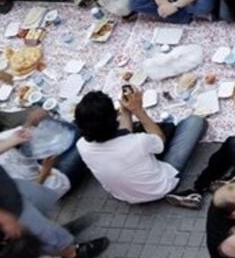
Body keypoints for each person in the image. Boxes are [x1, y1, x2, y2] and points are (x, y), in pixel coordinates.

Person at [74, 89, 208, 209]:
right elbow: (159, 141)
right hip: (161, 186)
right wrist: (138, 111)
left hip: (126, 196)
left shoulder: (82, 145)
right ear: (115, 119)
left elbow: (124, 133)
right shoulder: (137, 142)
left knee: (144, 149)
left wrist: (125, 109)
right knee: (195, 122)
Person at [0, 160, 109, 258]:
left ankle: (58, 234)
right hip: (6, 211)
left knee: (40, 210)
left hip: (6, 190)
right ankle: (72, 254)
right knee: (42, 235)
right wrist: (1, 218)